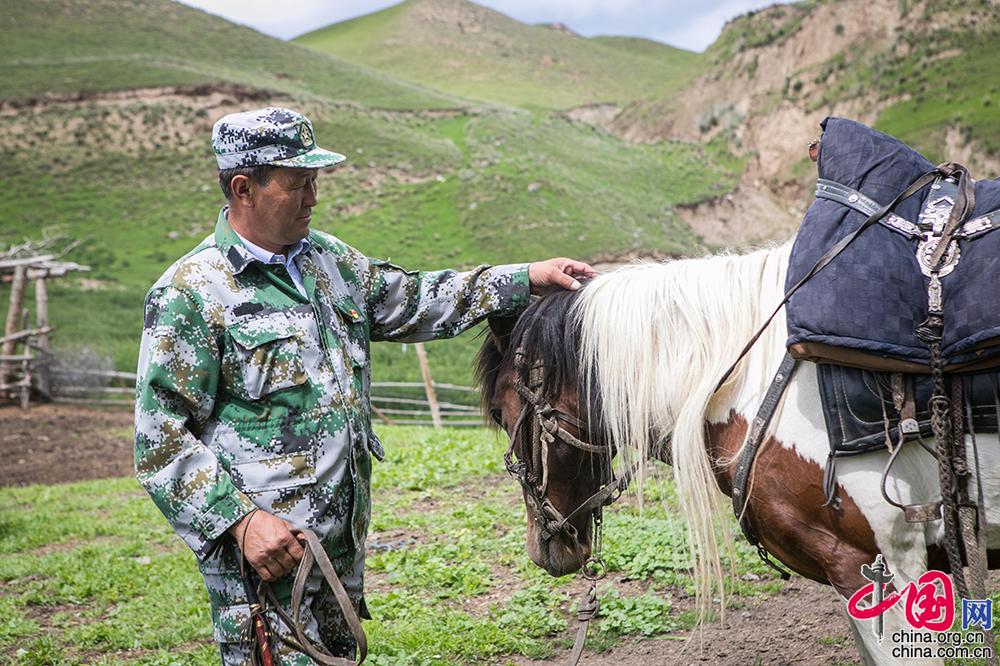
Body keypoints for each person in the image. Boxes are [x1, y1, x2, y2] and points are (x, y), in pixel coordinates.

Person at [133, 106, 596, 664]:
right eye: (298, 183)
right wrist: (241, 520)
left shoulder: (330, 263)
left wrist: (523, 278)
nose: (312, 198)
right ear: (243, 188)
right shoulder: (192, 293)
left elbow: (420, 298)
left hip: (338, 550)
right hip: (266, 559)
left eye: (315, 182)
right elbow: (160, 441)